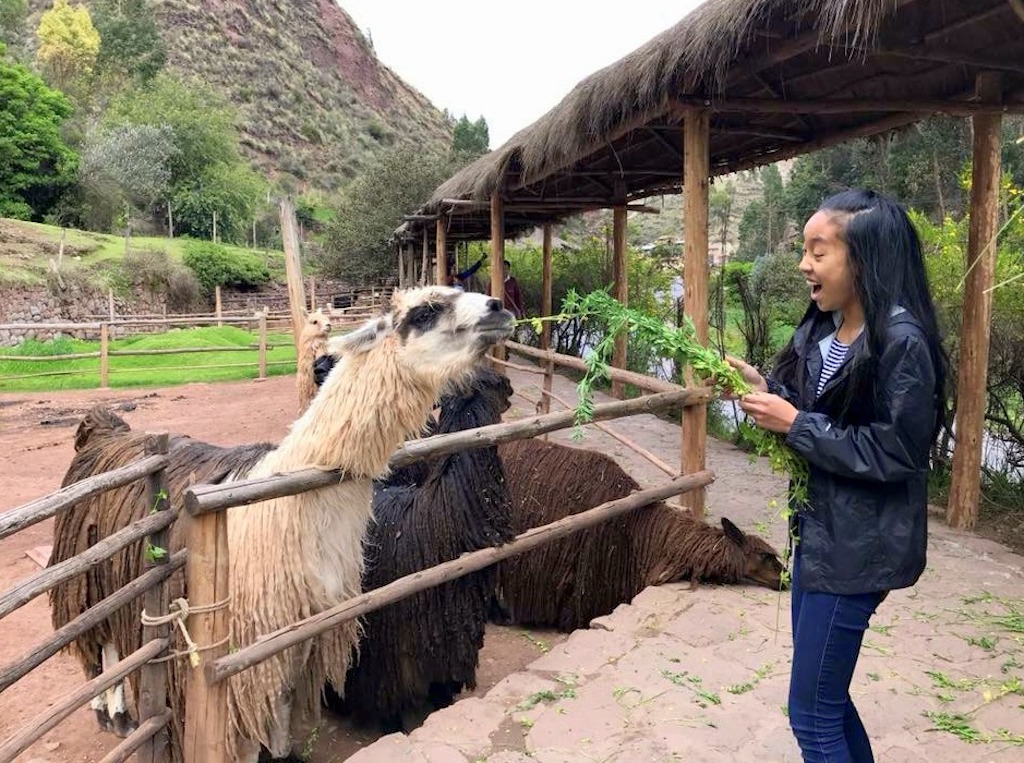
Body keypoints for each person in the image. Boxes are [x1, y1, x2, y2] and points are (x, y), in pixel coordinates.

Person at [728, 189, 947, 762]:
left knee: (811, 715)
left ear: (864, 258)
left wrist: (796, 424)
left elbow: (897, 451)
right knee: (827, 700)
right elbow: (812, 415)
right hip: (820, 538)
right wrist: (763, 392)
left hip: (858, 550)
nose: (805, 264)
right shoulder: (822, 331)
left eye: (818, 251)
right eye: (805, 250)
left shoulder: (900, 342)